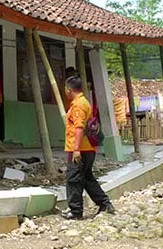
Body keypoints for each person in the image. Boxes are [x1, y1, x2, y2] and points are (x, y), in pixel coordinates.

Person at [62, 75, 115, 219]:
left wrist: (76, 149)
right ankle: (105, 204)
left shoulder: (78, 105)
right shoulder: (84, 102)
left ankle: (75, 211)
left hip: (80, 149)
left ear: (69, 90)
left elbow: (79, 128)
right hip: (88, 148)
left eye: (65, 89)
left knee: (73, 179)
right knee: (86, 178)